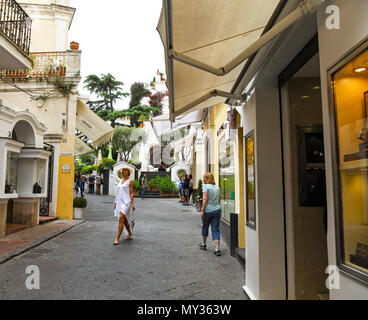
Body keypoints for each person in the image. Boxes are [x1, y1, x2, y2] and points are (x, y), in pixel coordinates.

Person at [199, 173, 222, 256]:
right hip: (217, 210)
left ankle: (204, 244)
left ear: (207, 179)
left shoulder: (206, 187)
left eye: (204, 178)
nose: (203, 180)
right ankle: (217, 249)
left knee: (205, 226)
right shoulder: (217, 187)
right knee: (215, 229)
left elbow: (205, 199)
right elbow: (219, 199)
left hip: (208, 211)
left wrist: (202, 210)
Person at [114, 168, 136, 245]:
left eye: (126, 171)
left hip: (127, 202)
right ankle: (130, 233)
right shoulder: (120, 181)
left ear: (129, 172)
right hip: (120, 202)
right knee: (124, 218)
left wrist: (132, 204)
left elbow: (131, 193)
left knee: (121, 217)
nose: (125, 172)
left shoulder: (131, 181)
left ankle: (117, 238)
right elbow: (117, 192)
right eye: (123, 171)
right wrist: (115, 202)